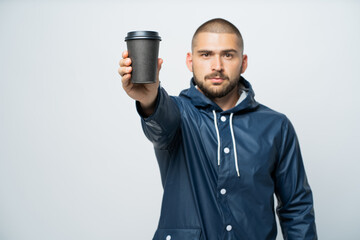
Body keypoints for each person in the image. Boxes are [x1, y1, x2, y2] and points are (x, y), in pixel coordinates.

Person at [118, 18, 317, 240]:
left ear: (243, 62)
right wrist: (148, 99)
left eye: (228, 55)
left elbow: (297, 209)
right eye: (206, 54)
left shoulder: (276, 126)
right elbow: (159, 122)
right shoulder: (176, 113)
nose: (217, 66)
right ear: (190, 61)